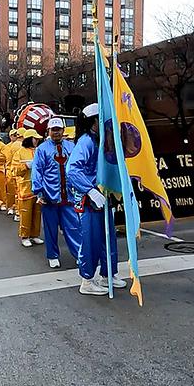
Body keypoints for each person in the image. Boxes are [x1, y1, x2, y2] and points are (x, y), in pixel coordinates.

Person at [67, 103, 127, 296]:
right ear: (94, 121)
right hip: (90, 200)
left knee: (108, 238)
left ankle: (108, 274)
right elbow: (72, 170)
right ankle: (87, 279)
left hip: (104, 197)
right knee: (91, 240)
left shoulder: (101, 140)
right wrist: (90, 190)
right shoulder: (86, 141)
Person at [31, 117, 81, 269]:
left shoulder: (72, 146)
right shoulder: (42, 149)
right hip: (49, 196)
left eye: (59, 129)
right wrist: (39, 192)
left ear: (63, 130)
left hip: (70, 196)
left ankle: (80, 254)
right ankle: (52, 255)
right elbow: (37, 171)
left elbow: (78, 167)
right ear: (48, 131)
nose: (56, 132)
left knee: (74, 227)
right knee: (50, 228)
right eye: (53, 130)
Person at [11, 130, 44, 247]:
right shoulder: (20, 152)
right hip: (25, 188)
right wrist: (25, 166)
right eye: (35, 139)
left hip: (38, 188)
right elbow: (14, 170)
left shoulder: (39, 151)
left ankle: (35, 235)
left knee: (37, 213)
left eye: (38, 139)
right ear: (29, 139)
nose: (37, 141)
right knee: (26, 213)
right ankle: (24, 236)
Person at [4, 128, 22, 218]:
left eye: (16, 135)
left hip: (15, 170)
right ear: (10, 136)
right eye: (14, 135)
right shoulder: (7, 147)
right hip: (10, 170)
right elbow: (7, 160)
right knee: (11, 191)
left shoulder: (21, 145)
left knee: (18, 192)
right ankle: (11, 207)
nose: (15, 137)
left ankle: (16, 208)